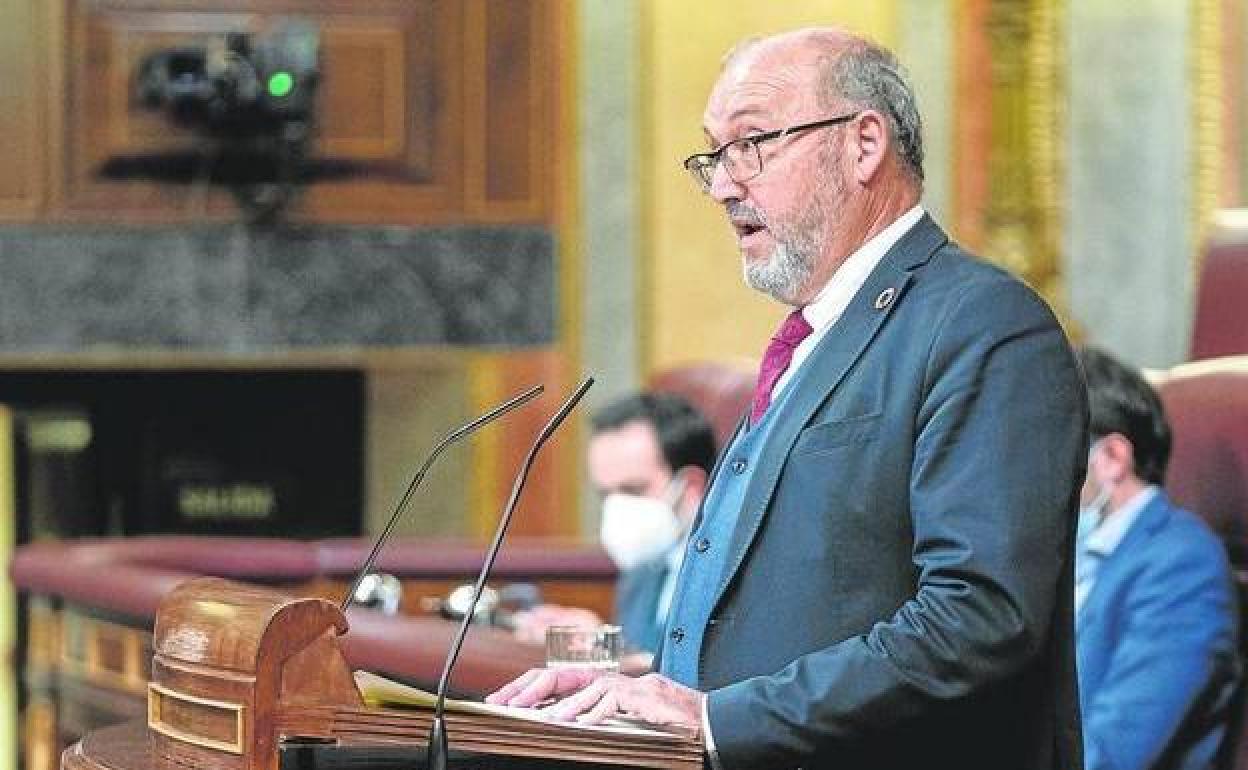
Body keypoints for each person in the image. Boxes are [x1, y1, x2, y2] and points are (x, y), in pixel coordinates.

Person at [489, 26, 1087, 770]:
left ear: (863, 144)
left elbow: (979, 617)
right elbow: (793, 616)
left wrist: (716, 720)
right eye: (714, 154)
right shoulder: (809, 339)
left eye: (751, 144)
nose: (723, 184)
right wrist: (641, 686)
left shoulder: (983, 325)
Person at [1074, 347, 1239, 770]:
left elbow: (1107, 756)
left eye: (1044, 451)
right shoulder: (1056, 555)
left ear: (1110, 458)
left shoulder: (1183, 568)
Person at [510, 392, 715, 659]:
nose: (618, 508)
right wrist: (597, 641)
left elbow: (699, 681)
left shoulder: (730, 572)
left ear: (691, 488)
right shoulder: (641, 570)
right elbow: (646, 663)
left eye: (632, 489)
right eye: (606, 495)